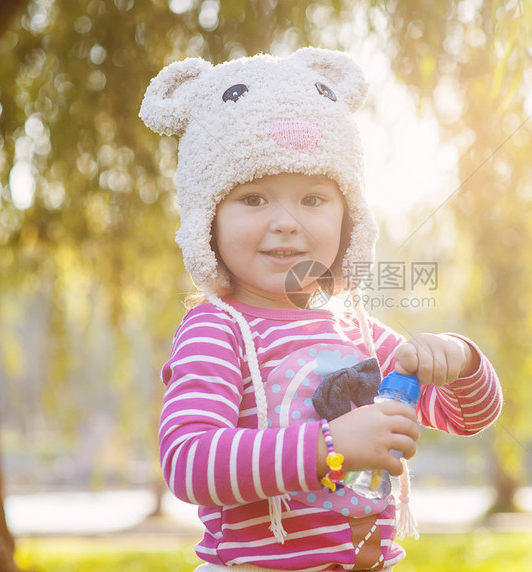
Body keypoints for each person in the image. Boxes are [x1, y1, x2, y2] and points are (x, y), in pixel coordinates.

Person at [140, 47, 502, 572]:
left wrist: (460, 360)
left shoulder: (356, 331)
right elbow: (190, 462)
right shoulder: (218, 330)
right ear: (207, 220)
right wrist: (329, 447)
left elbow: (468, 416)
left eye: (312, 199)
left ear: (348, 219)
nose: (287, 223)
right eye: (254, 198)